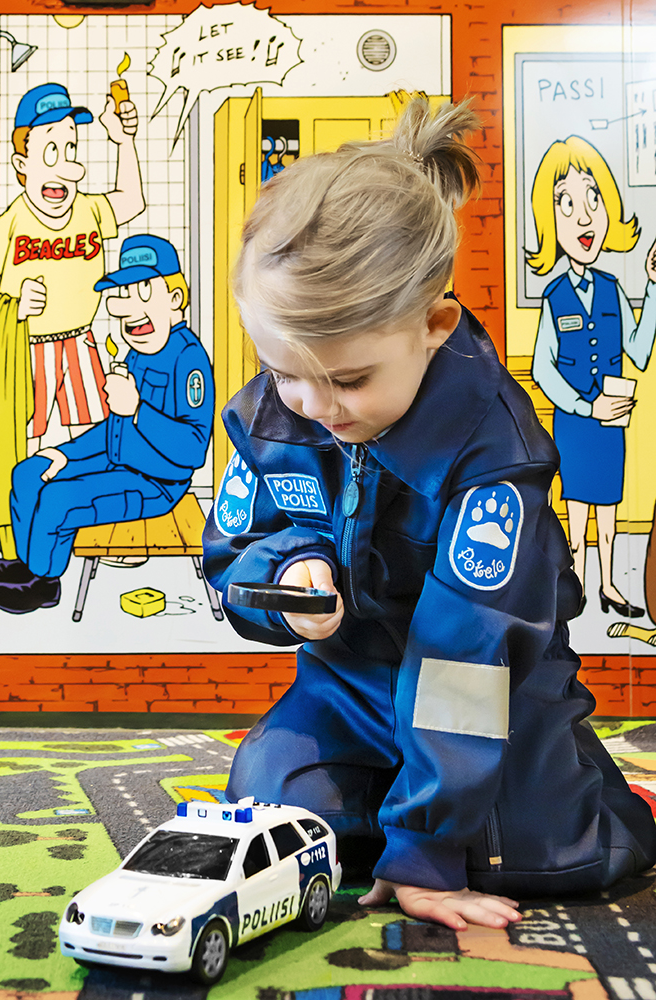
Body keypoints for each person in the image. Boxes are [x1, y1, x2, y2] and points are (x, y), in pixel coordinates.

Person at [203, 99, 656, 931]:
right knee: (284, 820)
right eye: (285, 371)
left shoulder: (493, 458)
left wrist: (425, 852)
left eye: (348, 380)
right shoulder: (276, 414)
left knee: (546, 858)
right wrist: (284, 571)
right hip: (345, 688)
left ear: (433, 326)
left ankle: (586, 785)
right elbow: (236, 545)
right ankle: (394, 805)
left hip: (487, 697)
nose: (314, 406)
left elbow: (464, 665)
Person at [0, 235, 213, 614]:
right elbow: (114, 428)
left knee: (59, 501)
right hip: (116, 460)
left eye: (144, 291)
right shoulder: (138, 353)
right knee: (30, 473)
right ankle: (23, 564)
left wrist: (139, 410)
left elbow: (192, 450)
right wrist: (64, 453)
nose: (130, 311)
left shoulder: (188, 360)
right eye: (123, 296)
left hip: (156, 482)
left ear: (175, 300)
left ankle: (43, 581)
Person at [529, 136, 656, 617]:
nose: (583, 217)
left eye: (593, 199)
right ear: (549, 219)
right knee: (577, 510)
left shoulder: (613, 287)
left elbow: (639, 351)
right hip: (577, 421)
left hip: (612, 424)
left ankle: (608, 585)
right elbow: (544, 368)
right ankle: (577, 585)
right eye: (566, 202)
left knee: (609, 509)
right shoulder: (555, 295)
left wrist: (652, 288)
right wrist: (586, 406)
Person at [0, 81, 145, 455]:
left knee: (92, 429)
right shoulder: (13, 221)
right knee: (28, 434)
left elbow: (132, 201)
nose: (65, 163)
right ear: (22, 165)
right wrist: (12, 302)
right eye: (50, 150)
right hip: (28, 349)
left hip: (80, 340)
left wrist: (124, 141)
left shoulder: (88, 209)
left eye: (70, 148)